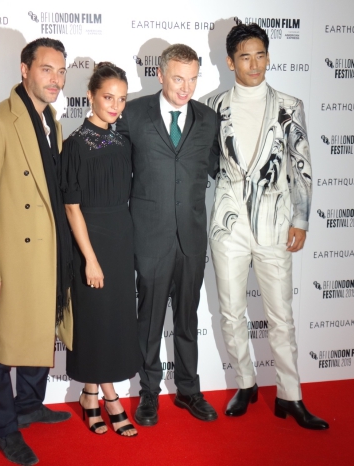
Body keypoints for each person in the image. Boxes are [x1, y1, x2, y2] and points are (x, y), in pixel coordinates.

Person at [206, 23, 328, 429]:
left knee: (281, 316)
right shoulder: (211, 106)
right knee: (230, 311)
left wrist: (301, 219)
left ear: (269, 57)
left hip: (275, 223)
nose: (254, 63)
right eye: (245, 56)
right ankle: (246, 384)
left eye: (260, 55)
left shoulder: (289, 105)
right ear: (230, 62)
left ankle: (290, 395)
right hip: (228, 225)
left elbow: (301, 165)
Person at [0, 38, 73, 466]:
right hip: (11, 260)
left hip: (48, 255)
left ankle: (28, 404)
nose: (55, 79)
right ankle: (5, 428)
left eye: (60, 71)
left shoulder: (52, 123)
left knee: (39, 328)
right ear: (24, 69)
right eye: (47, 69)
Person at [117, 44, 219, 425]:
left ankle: (189, 390)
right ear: (159, 75)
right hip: (150, 237)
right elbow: (116, 169)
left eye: (192, 79)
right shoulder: (133, 114)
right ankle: (148, 393)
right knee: (149, 321)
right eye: (178, 78)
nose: (185, 88)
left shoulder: (208, 119)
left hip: (191, 238)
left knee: (187, 319)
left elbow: (215, 168)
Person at [61, 62, 141, 437]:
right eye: (108, 97)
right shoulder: (75, 145)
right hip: (89, 241)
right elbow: (71, 207)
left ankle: (89, 393)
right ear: (90, 96)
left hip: (121, 238)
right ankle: (110, 398)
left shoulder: (123, 140)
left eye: (121, 99)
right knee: (94, 320)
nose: (115, 106)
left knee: (113, 321)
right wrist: (90, 259)